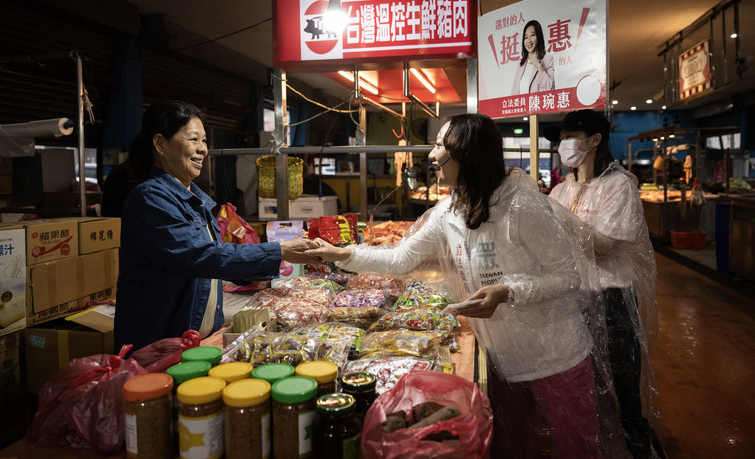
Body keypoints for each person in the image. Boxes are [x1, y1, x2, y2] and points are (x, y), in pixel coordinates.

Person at [307, 113, 607, 458]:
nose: (432, 156)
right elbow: (400, 259)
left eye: (440, 146)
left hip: (557, 357)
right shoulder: (449, 211)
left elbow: (567, 276)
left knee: (577, 448)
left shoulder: (523, 205)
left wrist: (507, 291)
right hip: (502, 361)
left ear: (466, 152)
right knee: (510, 448)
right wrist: (340, 253)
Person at [114, 101, 319, 351]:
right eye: (193, 140)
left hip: (197, 342)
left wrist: (280, 279)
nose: (203, 150)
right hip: (159, 346)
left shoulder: (197, 201)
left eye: (205, 141)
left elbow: (218, 262)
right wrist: (278, 251)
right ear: (160, 144)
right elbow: (199, 256)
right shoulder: (150, 199)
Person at [549, 109, 665, 459]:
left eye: (569, 137)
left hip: (612, 299)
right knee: (582, 383)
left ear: (595, 140)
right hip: (573, 299)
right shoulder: (560, 191)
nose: (562, 146)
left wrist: (555, 214)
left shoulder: (619, 186)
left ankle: (635, 448)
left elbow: (602, 247)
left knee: (623, 387)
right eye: (561, 139)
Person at [511, 19, 555, 95]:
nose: (529, 41)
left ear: (538, 36)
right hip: (523, 106)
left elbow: (551, 89)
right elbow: (514, 92)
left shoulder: (547, 59)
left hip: (538, 105)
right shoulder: (521, 62)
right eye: (526, 37)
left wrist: (538, 66)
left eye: (532, 35)